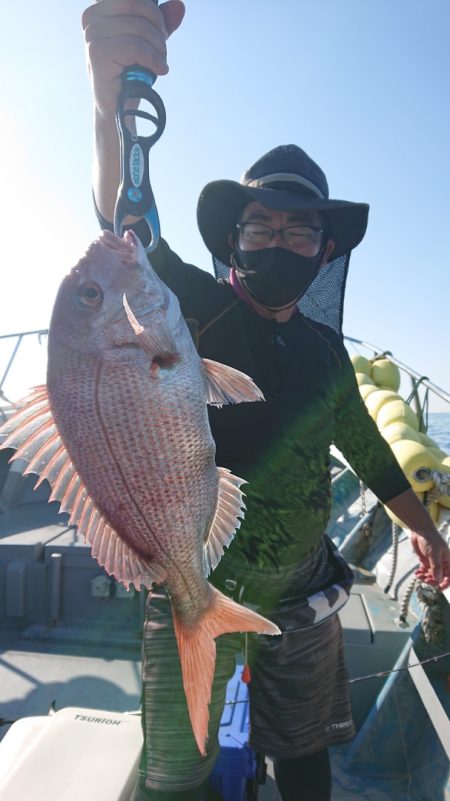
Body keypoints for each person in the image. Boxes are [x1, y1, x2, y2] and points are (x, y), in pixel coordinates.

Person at [82, 3, 450, 800]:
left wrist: (428, 534)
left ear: (323, 252)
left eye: (298, 232)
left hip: (304, 591)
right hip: (194, 584)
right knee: (177, 772)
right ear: (232, 240)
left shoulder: (325, 355)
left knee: (306, 762)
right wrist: (108, 100)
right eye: (260, 227)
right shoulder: (184, 306)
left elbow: (370, 451)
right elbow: (125, 218)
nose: (277, 244)